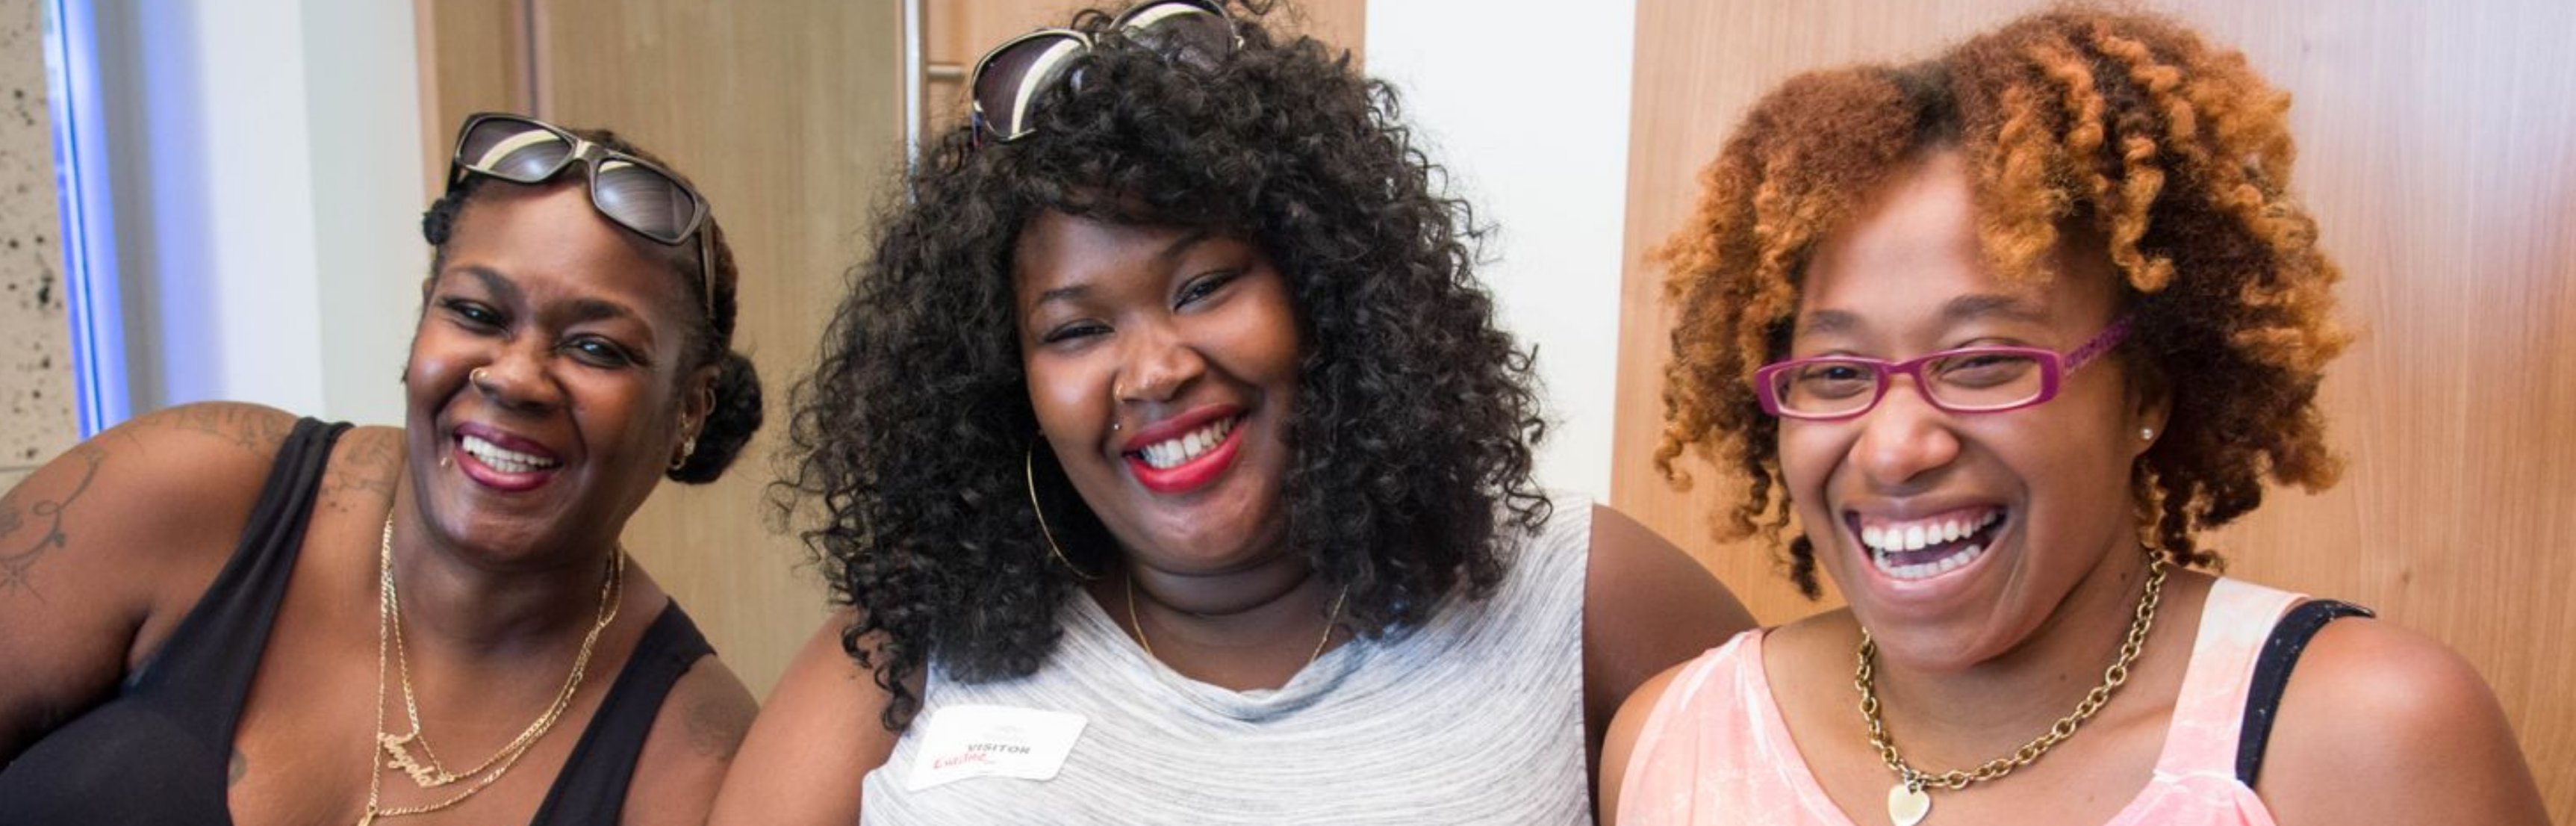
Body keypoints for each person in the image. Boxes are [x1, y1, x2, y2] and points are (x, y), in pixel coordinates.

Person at [712, 1, 1753, 823]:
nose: (1153, 370)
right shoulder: (912, 642)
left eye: (1204, 286)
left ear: (1326, 292)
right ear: (1006, 385)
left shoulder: (1572, 594)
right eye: (1075, 330)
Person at [1603, 8, 2549, 826]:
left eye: (1982, 363)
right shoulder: (1673, 738)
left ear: (2144, 391)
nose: (1894, 446)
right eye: (1837, 371)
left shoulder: (2368, 733)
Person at [0, 113, 765, 825]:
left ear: (690, 411)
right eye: (475, 313)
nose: (513, 377)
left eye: (596, 347)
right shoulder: (185, 487)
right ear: (423, 313)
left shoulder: (697, 761)